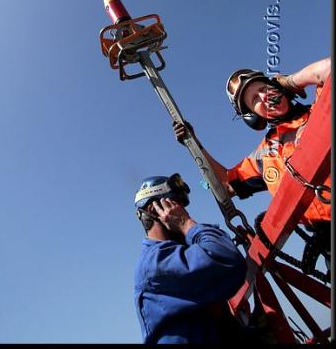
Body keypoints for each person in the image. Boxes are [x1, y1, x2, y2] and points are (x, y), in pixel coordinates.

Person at [173, 58, 331, 263]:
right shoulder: (265, 155)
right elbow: (226, 183)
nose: (264, 97)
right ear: (253, 116)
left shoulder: (321, 110)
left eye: (264, 89)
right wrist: (194, 143)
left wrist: (291, 81)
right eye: (255, 99)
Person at [133, 173, 248, 344]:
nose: (183, 212)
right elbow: (226, 259)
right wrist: (184, 223)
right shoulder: (156, 263)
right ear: (154, 210)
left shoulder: (179, 257)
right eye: (176, 205)